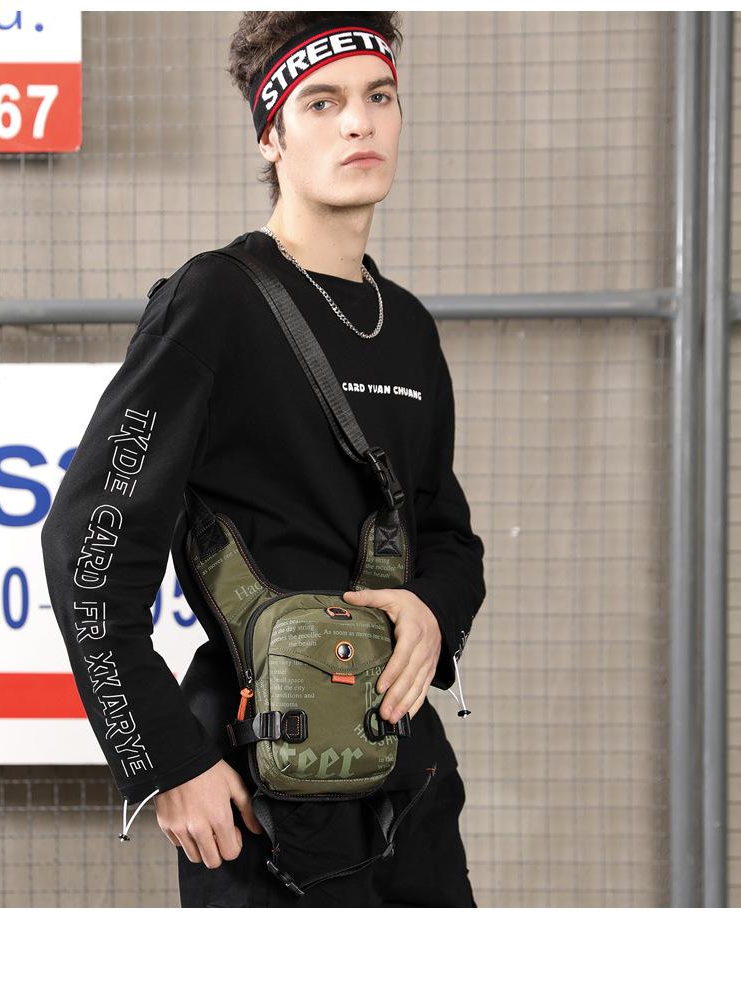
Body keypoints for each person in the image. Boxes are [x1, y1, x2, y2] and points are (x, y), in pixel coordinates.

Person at [40, 10, 486, 908]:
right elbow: (87, 547)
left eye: (380, 96)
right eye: (322, 103)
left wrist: (433, 611)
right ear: (271, 135)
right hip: (263, 786)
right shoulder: (214, 302)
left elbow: (447, 534)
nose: (358, 121)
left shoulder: (408, 325)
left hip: (407, 769)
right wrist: (168, 760)